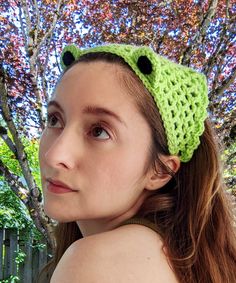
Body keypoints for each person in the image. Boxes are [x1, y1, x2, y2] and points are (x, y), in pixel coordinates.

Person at [38, 44, 236, 283]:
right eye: (54, 119)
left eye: (99, 131)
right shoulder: (180, 260)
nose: (54, 154)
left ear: (160, 171)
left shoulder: (98, 264)